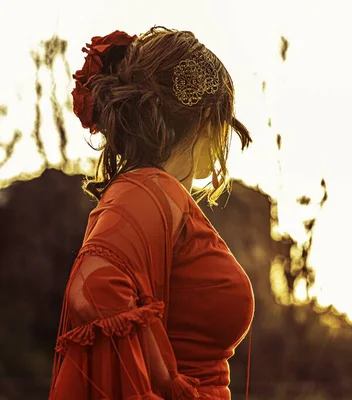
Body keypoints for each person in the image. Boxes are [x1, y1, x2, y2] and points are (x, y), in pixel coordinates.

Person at [49, 26, 254, 400]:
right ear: (208, 117)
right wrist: (167, 384)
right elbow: (94, 287)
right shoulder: (148, 190)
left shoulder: (161, 196)